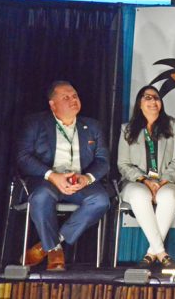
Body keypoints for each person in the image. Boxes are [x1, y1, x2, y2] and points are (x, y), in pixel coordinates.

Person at [17, 81, 110, 271]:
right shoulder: (35, 123)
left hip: (80, 181)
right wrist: (52, 175)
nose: (72, 100)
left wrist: (87, 178)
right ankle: (55, 251)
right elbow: (22, 157)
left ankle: (49, 245)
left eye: (74, 96)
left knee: (101, 200)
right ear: (52, 104)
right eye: (65, 97)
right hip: (48, 180)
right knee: (41, 197)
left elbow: (103, 161)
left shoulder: (92, 126)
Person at [117, 85, 175, 269]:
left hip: (167, 181)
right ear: (139, 103)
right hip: (136, 182)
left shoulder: (172, 125)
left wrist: (162, 181)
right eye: (147, 98)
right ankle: (161, 253)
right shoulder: (127, 129)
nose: (153, 101)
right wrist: (145, 181)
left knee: (168, 196)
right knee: (140, 195)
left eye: (156, 98)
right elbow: (123, 164)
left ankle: (150, 254)